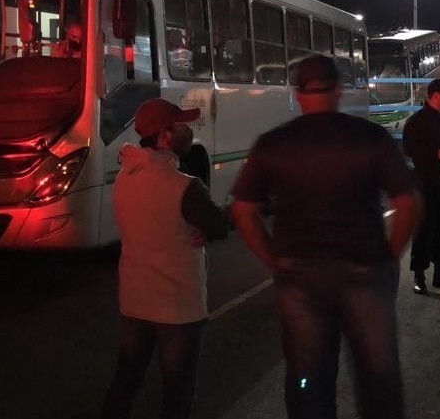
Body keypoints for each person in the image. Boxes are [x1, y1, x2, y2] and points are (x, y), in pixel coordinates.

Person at [231, 54, 422, 419]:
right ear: (338, 90)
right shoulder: (369, 137)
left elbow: (243, 211)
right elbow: (408, 202)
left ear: (297, 94)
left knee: (308, 379)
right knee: (378, 376)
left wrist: (274, 260)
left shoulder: (273, 143)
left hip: (299, 275)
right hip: (364, 268)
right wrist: (390, 254)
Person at [102, 99, 227, 419]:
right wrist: (203, 230)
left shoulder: (125, 177)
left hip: (134, 300)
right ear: (164, 136)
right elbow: (219, 225)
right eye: (181, 126)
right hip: (177, 306)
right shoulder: (184, 187)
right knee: (178, 389)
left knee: (126, 379)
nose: (189, 131)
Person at [401, 77, 440, 293]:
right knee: (424, 228)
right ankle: (419, 275)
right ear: (436, 94)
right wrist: (438, 153)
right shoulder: (416, 121)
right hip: (426, 183)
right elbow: (410, 148)